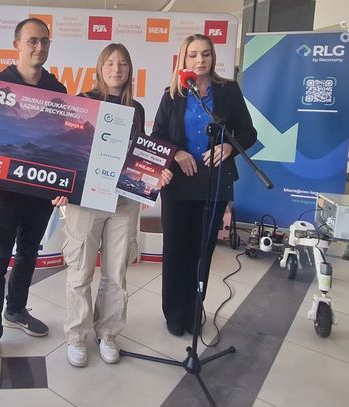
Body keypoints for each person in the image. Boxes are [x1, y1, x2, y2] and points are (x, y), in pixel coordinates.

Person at [0, 18, 68, 382]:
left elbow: (62, 143)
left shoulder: (58, 90)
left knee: (28, 255)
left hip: (40, 192)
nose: (39, 47)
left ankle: (16, 309)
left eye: (45, 42)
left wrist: (65, 184)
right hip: (4, 193)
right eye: (32, 41)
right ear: (17, 45)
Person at [63, 44, 173, 367]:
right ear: (100, 68)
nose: (116, 69)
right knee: (80, 271)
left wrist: (155, 174)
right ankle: (76, 336)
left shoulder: (135, 109)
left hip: (123, 201)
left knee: (116, 272)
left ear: (129, 70)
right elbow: (70, 148)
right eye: (110, 63)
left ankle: (108, 333)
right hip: (87, 199)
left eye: (122, 63)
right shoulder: (84, 101)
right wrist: (63, 187)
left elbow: (138, 155)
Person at [151, 34, 257, 337]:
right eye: (193, 55)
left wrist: (229, 147)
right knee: (176, 250)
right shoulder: (172, 94)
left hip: (215, 182)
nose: (200, 60)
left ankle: (194, 310)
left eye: (206, 54)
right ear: (183, 59)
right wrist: (176, 152)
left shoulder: (228, 91)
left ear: (213, 58)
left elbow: (248, 133)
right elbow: (157, 136)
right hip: (178, 184)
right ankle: (174, 313)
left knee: (203, 251)